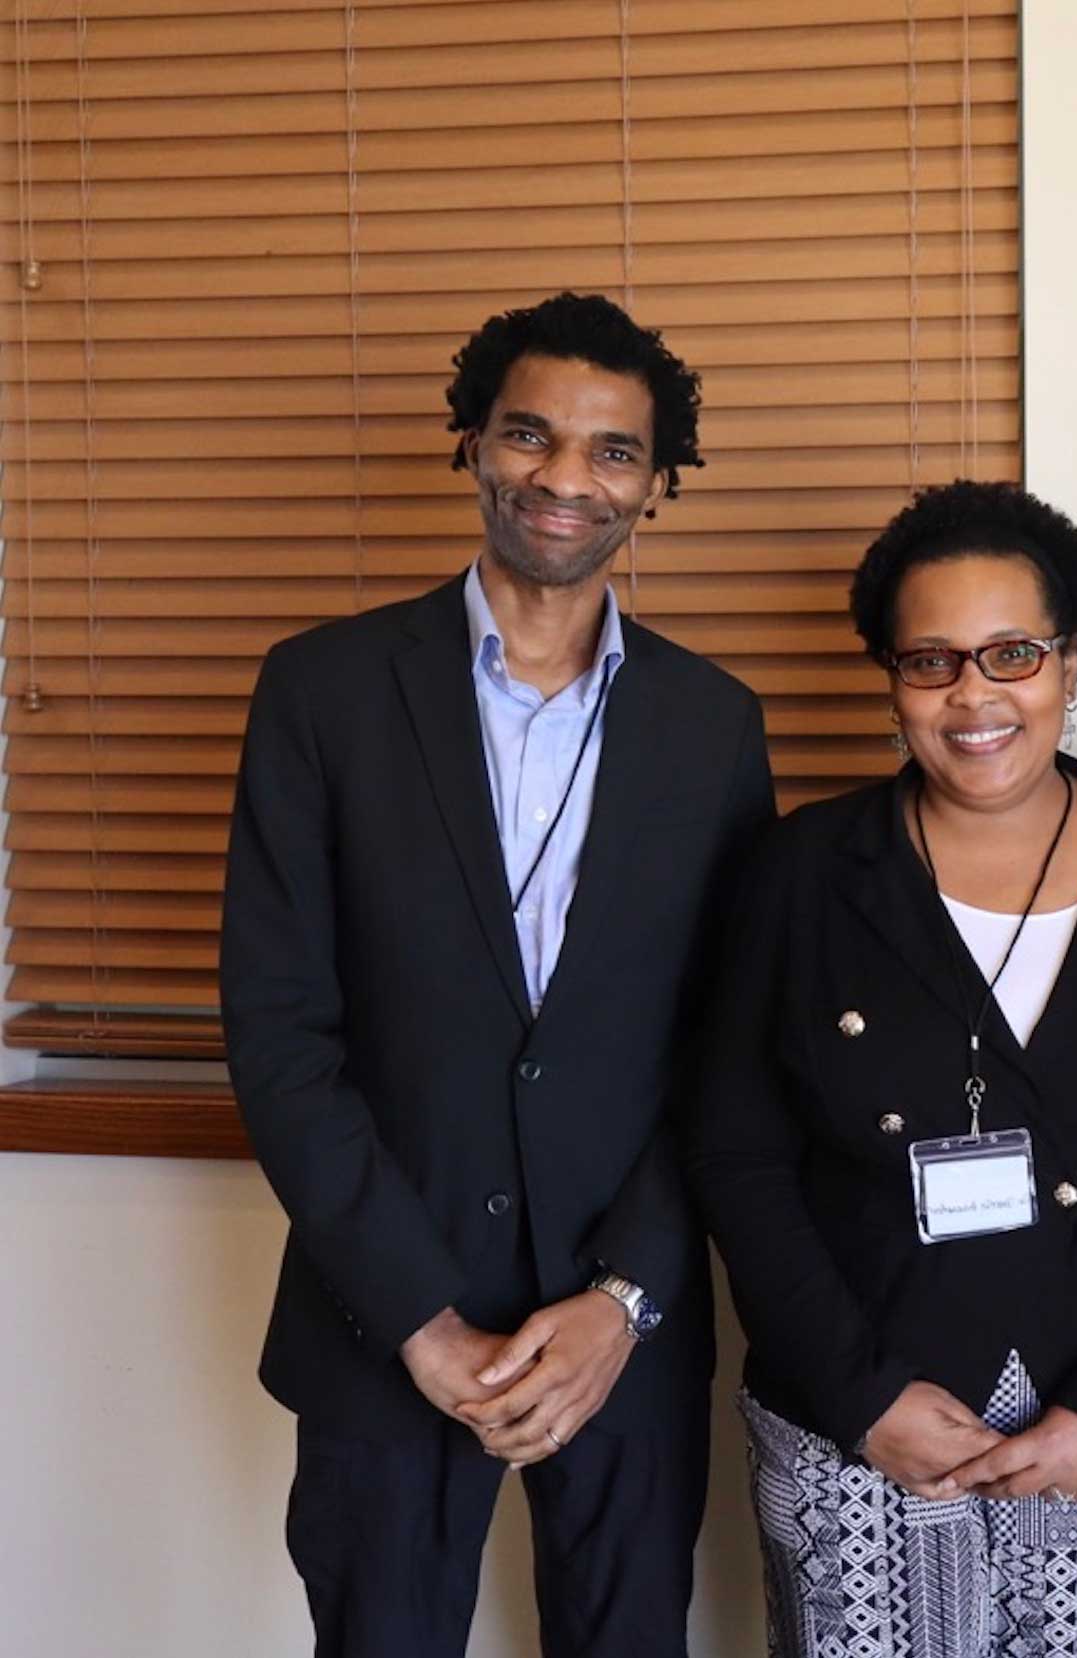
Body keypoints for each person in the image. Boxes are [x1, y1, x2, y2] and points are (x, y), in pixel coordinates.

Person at [221, 291, 776, 1657]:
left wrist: (627, 1299)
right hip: (383, 1314)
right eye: (530, 434)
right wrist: (417, 1320)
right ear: (472, 441)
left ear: (656, 485)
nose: (563, 477)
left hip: (620, 1333)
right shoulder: (322, 690)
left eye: (611, 451)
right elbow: (280, 1033)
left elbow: (728, 1043)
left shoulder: (713, 726)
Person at [684, 479, 1077, 1656]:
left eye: (1012, 652)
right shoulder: (800, 874)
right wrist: (859, 1394)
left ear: (1073, 660)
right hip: (862, 1437)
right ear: (891, 680)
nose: (974, 695)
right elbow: (737, 1156)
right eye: (931, 661)